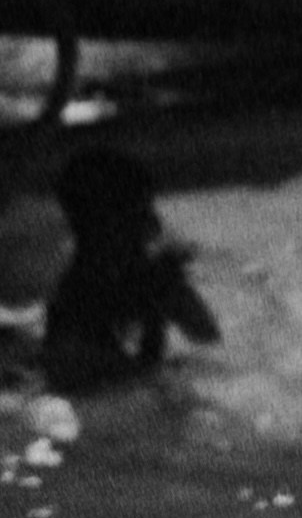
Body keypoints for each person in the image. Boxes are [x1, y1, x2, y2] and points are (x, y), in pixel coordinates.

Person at [43, 142, 220, 392]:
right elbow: (70, 375)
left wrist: (170, 290)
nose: (154, 223)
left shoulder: (146, 276)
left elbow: (206, 335)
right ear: (100, 228)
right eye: (141, 212)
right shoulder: (73, 295)